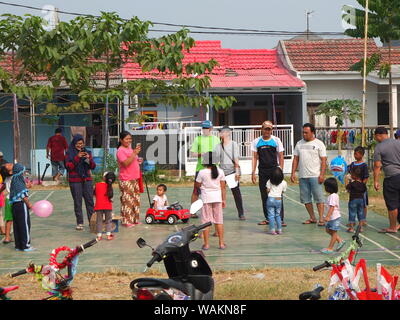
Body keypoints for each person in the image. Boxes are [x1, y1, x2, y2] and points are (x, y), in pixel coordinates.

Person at [291, 123, 327, 226]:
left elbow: (323, 160)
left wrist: (322, 175)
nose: (304, 134)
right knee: (305, 199)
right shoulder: (299, 144)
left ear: (312, 132)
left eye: (306, 132)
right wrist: (293, 172)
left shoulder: (319, 144)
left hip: (315, 176)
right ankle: (312, 217)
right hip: (303, 176)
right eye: (303, 132)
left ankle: (321, 219)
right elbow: (296, 159)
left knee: (319, 198)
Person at [251, 120, 286, 226]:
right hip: (262, 171)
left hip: (274, 171)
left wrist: (280, 170)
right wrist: (253, 172)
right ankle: (268, 218)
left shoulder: (276, 140)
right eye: (265, 128)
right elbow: (254, 157)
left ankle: (280, 218)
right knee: (264, 195)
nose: (267, 131)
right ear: (262, 129)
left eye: (269, 129)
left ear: (271, 130)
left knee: (277, 194)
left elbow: (280, 156)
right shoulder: (256, 142)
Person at [195, 152, 226, 250]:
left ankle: (206, 244)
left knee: (206, 221)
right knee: (219, 221)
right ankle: (221, 243)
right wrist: (224, 199)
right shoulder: (220, 171)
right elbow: (223, 187)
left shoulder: (202, 172)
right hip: (217, 198)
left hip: (206, 199)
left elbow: (197, 185)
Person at [190, 120, 220, 218]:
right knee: (196, 190)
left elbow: (219, 153)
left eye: (206, 128)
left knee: (213, 190)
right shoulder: (198, 139)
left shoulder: (216, 139)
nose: (205, 130)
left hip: (213, 168)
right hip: (201, 168)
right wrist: (201, 154)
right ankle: (193, 211)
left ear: (211, 129)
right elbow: (192, 153)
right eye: (203, 128)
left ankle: (213, 211)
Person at [65, 134, 96, 231]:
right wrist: (77, 157)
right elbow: (68, 167)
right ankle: (80, 222)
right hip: (75, 181)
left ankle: (92, 222)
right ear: (74, 143)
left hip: (87, 180)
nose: (80, 145)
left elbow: (93, 166)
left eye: (82, 143)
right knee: (78, 202)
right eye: (78, 143)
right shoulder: (69, 153)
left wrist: (89, 159)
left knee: (90, 202)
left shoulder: (88, 152)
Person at [214, 126, 245, 220]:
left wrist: (237, 172)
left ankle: (241, 213)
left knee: (236, 193)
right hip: (222, 172)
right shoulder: (218, 146)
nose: (220, 134)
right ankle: (217, 213)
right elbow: (215, 160)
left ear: (227, 133)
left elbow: (236, 159)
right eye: (219, 132)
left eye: (221, 132)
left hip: (232, 172)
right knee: (219, 193)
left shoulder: (233, 144)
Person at [373, 127, 400, 233]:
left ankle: (393, 227)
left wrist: (376, 181)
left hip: (391, 178)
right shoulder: (398, 143)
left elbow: (377, 166)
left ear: (378, 135)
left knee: (392, 203)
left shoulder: (379, 147)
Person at [116, 131, 142, 227]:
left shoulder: (130, 149)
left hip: (134, 178)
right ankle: (126, 221)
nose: (129, 141)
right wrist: (134, 153)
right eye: (126, 139)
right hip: (126, 179)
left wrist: (138, 159)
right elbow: (126, 163)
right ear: (121, 140)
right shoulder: (120, 151)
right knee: (127, 201)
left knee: (136, 200)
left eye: (130, 139)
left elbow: (132, 160)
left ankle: (135, 219)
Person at [9, 163, 34, 252]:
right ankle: (26, 245)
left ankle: (18, 245)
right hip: (21, 205)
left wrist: (27, 185)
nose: (24, 173)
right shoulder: (19, 180)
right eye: (23, 171)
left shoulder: (14, 179)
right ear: (20, 172)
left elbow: (18, 190)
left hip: (14, 206)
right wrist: (29, 204)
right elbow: (23, 195)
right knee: (24, 225)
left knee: (17, 225)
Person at [321, 177, 346, 254]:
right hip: (332, 218)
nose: (324, 188)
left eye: (325, 187)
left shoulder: (333, 196)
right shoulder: (332, 195)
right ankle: (340, 241)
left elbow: (332, 207)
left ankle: (330, 248)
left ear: (329, 188)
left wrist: (328, 216)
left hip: (334, 218)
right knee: (328, 230)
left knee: (334, 232)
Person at [346, 146, 369, 225]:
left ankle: (363, 220)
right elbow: (348, 173)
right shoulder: (352, 164)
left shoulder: (364, 165)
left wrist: (361, 186)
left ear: (361, 155)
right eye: (354, 154)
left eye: (356, 154)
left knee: (363, 204)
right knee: (352, 204)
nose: (355, 156)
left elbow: (366, 177)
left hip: (361, 189)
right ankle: (352, 221)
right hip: (353, 188)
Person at [94, 172, 116, 241]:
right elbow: (111, 198)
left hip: (99, 206)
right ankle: (108, 235)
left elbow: (94, 194)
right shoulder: (110, 186)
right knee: (108, 221)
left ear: (103, 177)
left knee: (99, 221)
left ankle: (99, 236)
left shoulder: (97, 185)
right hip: (108, 207)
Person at [266, 167, 287, 235]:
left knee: (271, 216)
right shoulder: (284, 183)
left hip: (270, 198)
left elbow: (268, 190)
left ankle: (272, 230)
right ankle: (279, 229)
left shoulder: (269, 181)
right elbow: (283, 192)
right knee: (278, 215)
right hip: (278, 199)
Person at [346, 166, 367, 233]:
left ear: (354, 176)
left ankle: (351, 228)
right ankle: (360, 228)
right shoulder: (363, 184)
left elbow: (347, 188)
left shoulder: (352, 184)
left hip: (353, 200)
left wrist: (346, 180)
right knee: (361, 213)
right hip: (361, 200)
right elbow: (364, 190)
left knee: (352, 213)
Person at [0, 164, 13, 244]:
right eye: (8, 165)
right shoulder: (13, 177)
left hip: (9, 199)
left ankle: (7, 236)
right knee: (10, 219)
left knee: (8, 219)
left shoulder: (7, 178)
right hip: (13, 200)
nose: (9, 164)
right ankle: (7, 236)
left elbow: (4, 187)